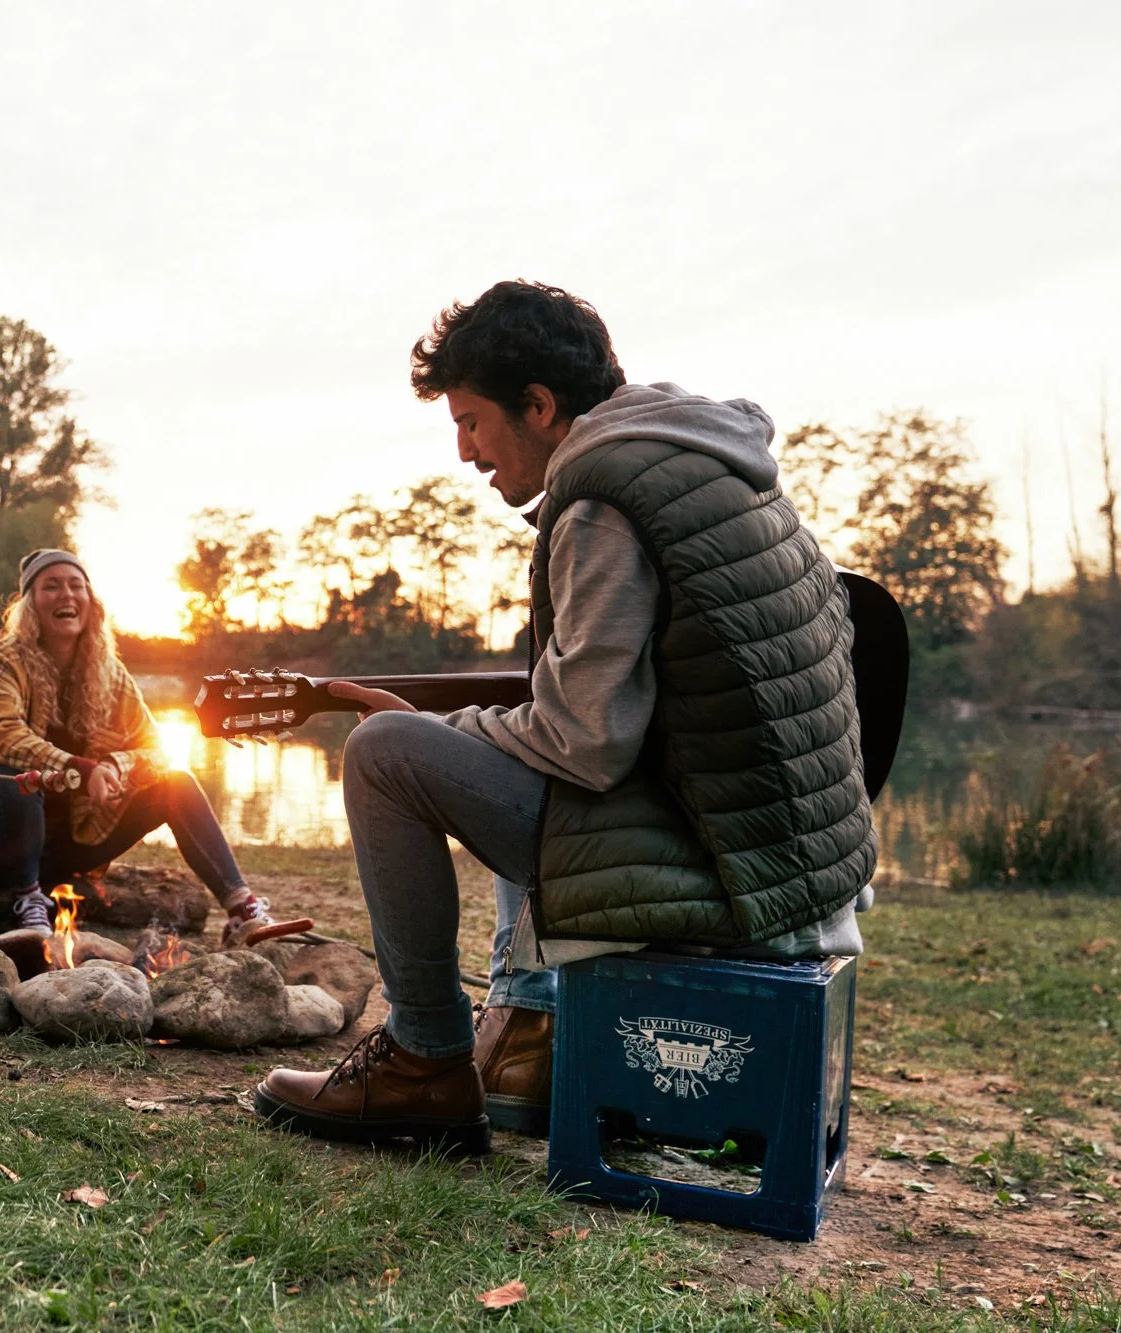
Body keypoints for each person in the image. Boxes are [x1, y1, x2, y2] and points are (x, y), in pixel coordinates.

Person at [253, 281, 876, 1154]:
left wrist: (442, 735)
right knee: (510, 734)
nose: (467, 453)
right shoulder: (708, 465)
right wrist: (486, 732)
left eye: (472, 422)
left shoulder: (602, 501)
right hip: (792, 870)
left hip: (729, 883)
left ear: (539, 406)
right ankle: (532, 1027)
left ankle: (424, 1062)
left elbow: (582, 742)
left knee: (384, 750)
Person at [0, 548, 306, 947]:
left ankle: (242, 909)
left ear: (91, 601)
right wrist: (80, 768)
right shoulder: (6, 657)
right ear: (29, 604)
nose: (67, 595)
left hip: (69, 846)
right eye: (52, 586)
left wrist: (116, 764)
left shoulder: (108, 672)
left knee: (175, 781)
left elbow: (156, 748)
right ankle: (28, 904)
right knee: (16, 779)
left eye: (76, 585)